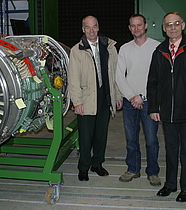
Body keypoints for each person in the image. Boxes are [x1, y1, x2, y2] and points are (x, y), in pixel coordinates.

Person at [147, 11, 186, 202]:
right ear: (164, 28)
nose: (172, 27)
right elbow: (153, 82)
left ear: (182, 25)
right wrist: (154, 108)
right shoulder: (159, 51)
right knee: (171, 150)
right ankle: (170, 185)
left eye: (176, 23)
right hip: (167, 112)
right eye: (168, 24)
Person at [68, 15, 122, 181]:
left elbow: (116, 74)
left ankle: (97, 164)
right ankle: (83, 167)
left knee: (101, 134)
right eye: (88, 27)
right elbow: (73, 79)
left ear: (98, 28)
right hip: (86, 99)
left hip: (105, 97)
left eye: (94, 27)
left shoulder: (110, 47)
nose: (91, 31)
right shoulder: (77, 50)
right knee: (86, 136)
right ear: (83, 29)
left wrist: (117, 95)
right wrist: (77, 102)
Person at [116, 14, 161, 186]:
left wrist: (141, 96)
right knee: (131, 138)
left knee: (151, 139)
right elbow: (119, 76)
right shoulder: (125, 49)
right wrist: (132, 96)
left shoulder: (156, 47)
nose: (136, 29)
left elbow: (158, 77)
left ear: (146, 26)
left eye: (139, 25)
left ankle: (153, 172)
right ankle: (133, 169)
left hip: (149, 102)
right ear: (129, 28)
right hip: (130, 102)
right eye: (133, 26)